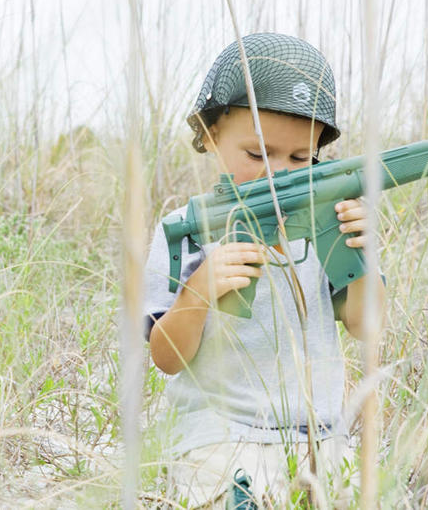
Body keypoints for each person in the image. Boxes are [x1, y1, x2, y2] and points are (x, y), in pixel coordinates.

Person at [142, 33, 386, 508]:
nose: (280, 173)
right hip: (219, 431)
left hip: (319, 433)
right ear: (211, 136)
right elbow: (166, 358)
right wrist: (197, 292)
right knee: (232, 494)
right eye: (258, 154)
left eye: (300, 158)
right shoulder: (187, 229)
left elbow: (364, 325)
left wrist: (362, 252)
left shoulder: (325, 219)